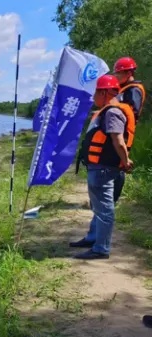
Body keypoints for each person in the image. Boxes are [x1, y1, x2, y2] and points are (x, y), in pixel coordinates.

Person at [70, 75, 135, 259]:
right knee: (99, 208)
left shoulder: (113, 112)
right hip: (100, 168)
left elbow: (118, 140)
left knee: (105, 210)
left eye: (96, 93)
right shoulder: (108, 111)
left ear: (105, 92)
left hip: (104, 169)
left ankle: (101, 249)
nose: (93, 97)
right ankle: (92, 238)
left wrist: (126, 160)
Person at [112, 57, 146, 204]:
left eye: (118, 74)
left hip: (124, 133)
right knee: (112, 162)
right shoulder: (124, 89)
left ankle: (112, 199)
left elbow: (130, 112)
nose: (116, 77)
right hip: (116, 130)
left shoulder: (134, 90)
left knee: (120, 163)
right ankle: (107, 198)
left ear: (128, 73)